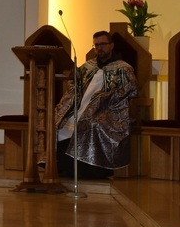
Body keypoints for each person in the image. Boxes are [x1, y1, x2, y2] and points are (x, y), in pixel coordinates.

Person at [52, 31, 138, 179]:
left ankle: (91, 171)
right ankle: (63, 168)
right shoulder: (87, 66)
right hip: (79, 107)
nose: (100, 48)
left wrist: (103, 97)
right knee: (59, 120)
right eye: (96, 45)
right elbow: (74, 86)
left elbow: (130, 91)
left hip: (108, 110)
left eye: (103, 44)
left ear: (111, 46)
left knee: (91, 124)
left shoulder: (124, 68)